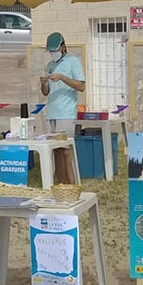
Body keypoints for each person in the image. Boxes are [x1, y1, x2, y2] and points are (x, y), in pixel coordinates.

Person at [40, 32, 85, 185]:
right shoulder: (50, 66)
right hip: (51, 113)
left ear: (63, 47)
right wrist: (43, 83)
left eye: (55, 50)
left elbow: (81, 86)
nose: (53, 53)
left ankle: (72, 187)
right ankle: (61, 186)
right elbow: (46, 92)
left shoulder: (74, 62)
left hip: (65, 113)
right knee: (56, 151)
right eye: (50, 51)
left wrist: (63, 78)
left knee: (66, 151)